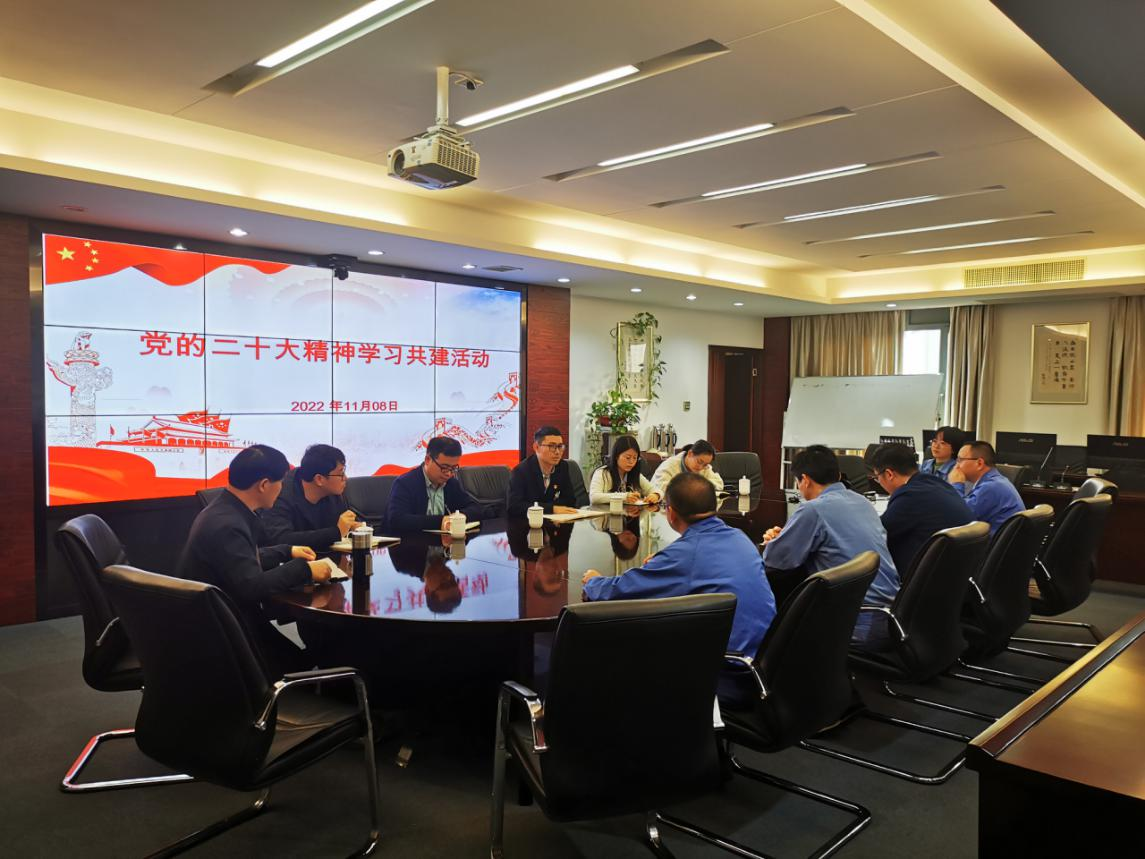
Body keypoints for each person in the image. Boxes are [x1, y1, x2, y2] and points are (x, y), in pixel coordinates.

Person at [582, 472, 777, 658]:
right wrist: (666, 562)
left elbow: (622, 591)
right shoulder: (739, 537)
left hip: (727, 665)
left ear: (671, 513)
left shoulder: (686, 554)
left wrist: (594, 582)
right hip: (766, 654)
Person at [176, 444, 332, 677]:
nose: (282, 489)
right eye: (280, 482)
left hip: (221, 621)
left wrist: (287, 551)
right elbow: (252, 586)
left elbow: (238, 559)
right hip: (226, 637)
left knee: (304, 657)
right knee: (306, 660)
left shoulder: (224, 510)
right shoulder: (228, 524)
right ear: (264, 485)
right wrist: (306, 570)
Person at [761, 445, 899, 646]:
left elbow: (775, 561)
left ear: (805, 480)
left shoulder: (813, 509)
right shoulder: (862, 502)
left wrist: (773, 542)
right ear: (838, 475)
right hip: (890, 616)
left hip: (854, 622)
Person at [869, 443, 973, 576]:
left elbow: (878, 535)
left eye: (877, 477)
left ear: (889, 474)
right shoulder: (936, 482)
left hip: (930, 577)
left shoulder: (909, 495)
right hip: (959, 575)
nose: (879, 482)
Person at [261, 443, 360, 551]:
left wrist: (352, 527)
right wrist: (336, 532)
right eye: (340, 474)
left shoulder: (334, 492)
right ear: (319, 479)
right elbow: (280, 539)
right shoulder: (280, 494)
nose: (345, 478)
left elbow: (343, 526)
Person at [384, 436, 490, 534]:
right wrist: (442, 521)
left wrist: (460, 517)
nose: (449, 473)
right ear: (428, 460)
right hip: (409, 544)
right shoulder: (404, 483)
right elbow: (397, 520)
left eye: (453, 468)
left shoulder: (451, 483)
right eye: (444, 467)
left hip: (443, 544)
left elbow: (476, 509)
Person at [948, 440, 1026, 532]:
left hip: (992, 540)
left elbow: (958, 516)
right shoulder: (995, 482)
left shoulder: (992, 487)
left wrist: (956, 484)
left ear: (979, 463)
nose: (956, 466)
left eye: (960, 460)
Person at [506, 425, 581, 516]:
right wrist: (552, 509)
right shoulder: (521, 471)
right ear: (536, 447)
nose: (557, 452)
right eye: (552, 446)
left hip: (556, 521)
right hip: (527, 522)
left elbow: (570, 500)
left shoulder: (562, 466)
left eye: (560, 446)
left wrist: (551, 508)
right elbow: (514, 506)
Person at [588, 435, 661, 505]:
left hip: (628, 513)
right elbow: (594, 497)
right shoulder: (602, 473)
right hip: (604, 513)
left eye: (635, 458)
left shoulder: (634, 474)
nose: (631, 462)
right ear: (617, 456)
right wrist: (624, 497)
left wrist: (656, 495)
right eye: (628, 458)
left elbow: (656, 490)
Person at [649, 439, 723, 496]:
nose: (701, 467)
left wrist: (701, 486)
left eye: (705, 465)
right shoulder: (669, 466)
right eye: (699, 462)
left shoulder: (704, 467)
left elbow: (719, 484)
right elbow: (664, 491)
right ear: (690, 454)